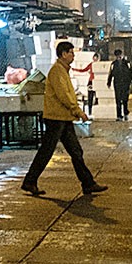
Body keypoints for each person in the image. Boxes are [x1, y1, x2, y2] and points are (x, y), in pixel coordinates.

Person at [22, 41, 103, 196]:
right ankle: (29, 182)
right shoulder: (57, 71)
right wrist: (78, 111)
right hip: (56, 118)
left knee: (76, 151)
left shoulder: (63, 70)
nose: (73, 55)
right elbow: (64, 95)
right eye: (71, 52)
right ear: (63, 54)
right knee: (46, 151)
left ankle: (88, 183)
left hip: (63, 118)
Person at [108, 49, 132, 121]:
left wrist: (129, 82)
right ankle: (119, 115)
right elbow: (110, 74)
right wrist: (109, 82)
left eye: (119, 55)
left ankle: (125, 113)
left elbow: (131, 73)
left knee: (125, 99)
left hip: (125, 84)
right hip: (117, 84)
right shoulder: (113, 64)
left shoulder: (127, 63)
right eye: (117, 56)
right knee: (118, 100)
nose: (118, 57)